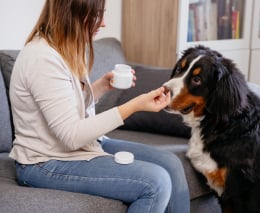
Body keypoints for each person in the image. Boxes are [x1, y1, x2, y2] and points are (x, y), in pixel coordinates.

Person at [9, 0, 190, 212]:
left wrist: (100, 87)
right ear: (72, 12)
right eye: (97, 15)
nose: (103, 23)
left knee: (171, 163)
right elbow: (71, 135)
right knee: (155, 183)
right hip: (44, 163)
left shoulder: (66, 47)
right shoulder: (42, 58)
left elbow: (67, 108)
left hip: (83, 147)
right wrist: (133, 106)